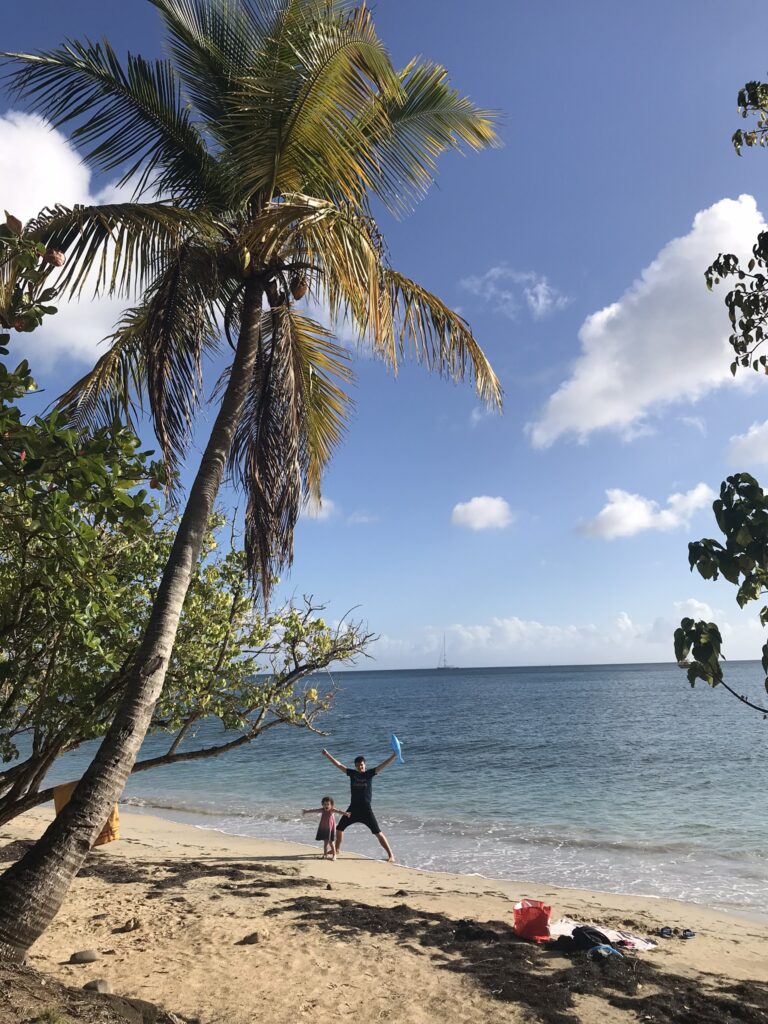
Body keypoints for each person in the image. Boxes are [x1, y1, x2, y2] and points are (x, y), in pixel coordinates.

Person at [321, 748, 396, 862]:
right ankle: (337, 849)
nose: (360, 767)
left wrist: (393, 756)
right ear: (355, 766)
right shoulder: (352, 774)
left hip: (366, 810)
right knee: (340, 828)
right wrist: (327, 755)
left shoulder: (369, 774)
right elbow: (339, 765)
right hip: (353, 809)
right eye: (358, 765)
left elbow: (382, 765)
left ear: (364, 765)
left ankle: (391, 855)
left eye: (361, 765)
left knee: (377, 832)